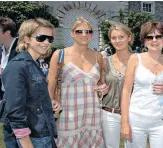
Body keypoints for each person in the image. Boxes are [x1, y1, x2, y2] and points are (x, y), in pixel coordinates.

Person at [47, 17, 107, 147]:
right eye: (79, 31)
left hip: (92, 114)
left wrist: (103, 87)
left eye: (88, 31)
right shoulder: (60, 54)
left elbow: (100, 83)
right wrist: (52, 102)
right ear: (72, 33)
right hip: (68, 113)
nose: (84, 34)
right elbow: (51, 82)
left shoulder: (98, 56)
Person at [2, 18, 60, 148]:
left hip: (44, 134)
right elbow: (15, 113)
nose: (46, 42)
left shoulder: (35, 64)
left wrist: (48, 103)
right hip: (31, 139)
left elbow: (32, 97)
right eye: (41, 38)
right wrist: (27, 145)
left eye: (50, 39)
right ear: (27, 38)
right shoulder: (17, 67)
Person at [121, 21, 163, 148]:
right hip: (135, 119)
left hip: (161, 122)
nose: (154, 40)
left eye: (158, 36)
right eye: (149, 37)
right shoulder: (135, 59)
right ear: (144, 41)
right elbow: (126, 91)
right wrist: (124, 123)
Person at [102, 22, 133, 148]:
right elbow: (100, 84)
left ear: (129, 37)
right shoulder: (105, 61)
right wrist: (100, 89)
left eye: (121, 37)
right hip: (110, 113)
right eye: (114, 38)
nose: (118, 41)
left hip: (134, 114)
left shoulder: (139, 60)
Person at [0, 16, 18, 100]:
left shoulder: (21, 50)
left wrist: (4, 72)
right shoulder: (1, 51)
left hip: (17, 98)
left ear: (7, 32)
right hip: (3, 95)